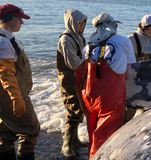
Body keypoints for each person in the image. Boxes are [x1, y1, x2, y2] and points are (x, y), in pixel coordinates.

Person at [75, 13, 136, 159]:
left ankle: (91, 154)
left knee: (93, 128)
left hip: (88, 93)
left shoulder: (88, 45)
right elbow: (129, 73)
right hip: (110, 94)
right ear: (113, 26)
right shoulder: (124, 41)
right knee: (107, 131)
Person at [0, 4, 40, 160]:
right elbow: (6, 74)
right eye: (19, 19)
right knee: (31, 130)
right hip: (12, 95)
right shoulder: (3, 42)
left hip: (9, 95)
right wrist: (17, 98)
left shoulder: (8, 38)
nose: (22, 23)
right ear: (9, 19)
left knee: (6, 133)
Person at [56, 9, 87, 159]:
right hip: (69, 80)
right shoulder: (66, 39)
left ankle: (75, 139)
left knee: (79, 109)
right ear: (72, 23)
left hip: (79, 79)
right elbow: (74, 63)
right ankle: (66, 144)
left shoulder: (79, 37)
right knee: (73, 109)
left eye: (83, 23)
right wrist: (90, 64)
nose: (82, 26)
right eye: (79, 23)